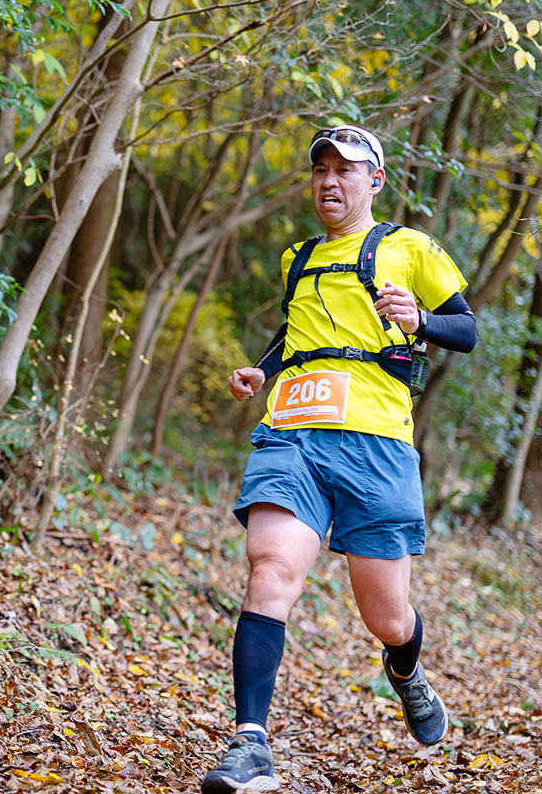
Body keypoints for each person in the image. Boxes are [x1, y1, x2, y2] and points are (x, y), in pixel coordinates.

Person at [201, 125, 478, 794]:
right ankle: (250, 746)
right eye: (320, 169)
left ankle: (405, 669)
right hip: (293, 433)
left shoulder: (409, 248)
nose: (329, 180)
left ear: (374, 181)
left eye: (345, 170)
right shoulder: (299, 258)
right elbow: (294, 331)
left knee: (387, 616)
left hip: (377, 444)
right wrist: (262, 370)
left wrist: (419, 321)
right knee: (270, 570)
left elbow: (467, 330)